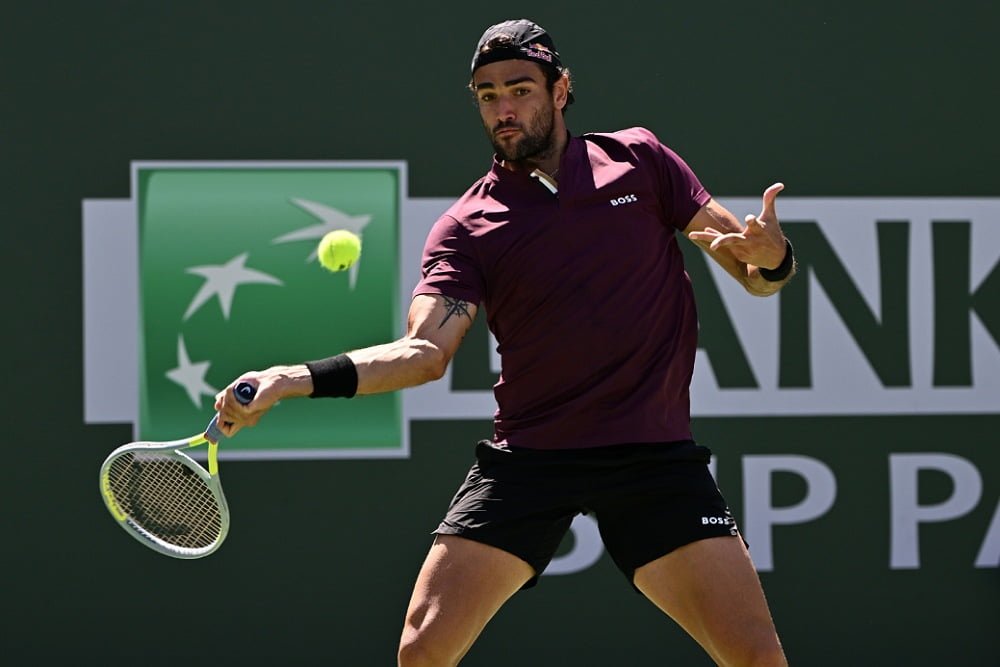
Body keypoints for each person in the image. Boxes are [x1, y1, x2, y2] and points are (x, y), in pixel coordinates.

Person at [216, 18, 795, 667]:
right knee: (423, 648)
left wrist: (771, 257)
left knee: (755, 656)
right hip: (531, 460)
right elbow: (423, 353)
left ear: (561, 90)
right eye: (487, 95)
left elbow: (754, 275)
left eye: (519, 88)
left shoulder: (642, 161)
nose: (503, 108)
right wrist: (292, 377)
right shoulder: (468, 226)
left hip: (653, 458)